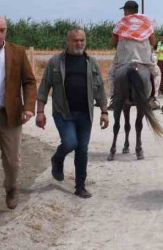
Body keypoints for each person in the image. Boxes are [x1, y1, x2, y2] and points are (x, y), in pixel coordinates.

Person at [35, 28, 109, 199]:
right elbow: (44, 87)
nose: (79, 43)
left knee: (82, 150)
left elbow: (100, 89)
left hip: (85, 114)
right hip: (63, 113)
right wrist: (40, 112)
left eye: (82, 40)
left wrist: (104, 112)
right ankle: (57, 159)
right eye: (75, 40)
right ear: (68, 42)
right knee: (70, 143)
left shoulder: (91, 62)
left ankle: (80, 186)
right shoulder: (55, 62)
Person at [0, 14, 37, 209]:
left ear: (6, 31)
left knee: (12, 161)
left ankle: (11, 188)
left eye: (2, 30)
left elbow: (29, 82)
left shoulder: (18, 52)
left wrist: (29, 107)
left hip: (9, 114)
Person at [108, 1, 159, 110]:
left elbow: (112, 43)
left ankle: (114, 99)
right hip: (144, 59)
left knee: (112, 72)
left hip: (124, 58)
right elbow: (153, 42)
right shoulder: (146, 21)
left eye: (124, 11)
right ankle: (152, 99)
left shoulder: (121, 23)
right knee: (156, 73)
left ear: (126, 10)